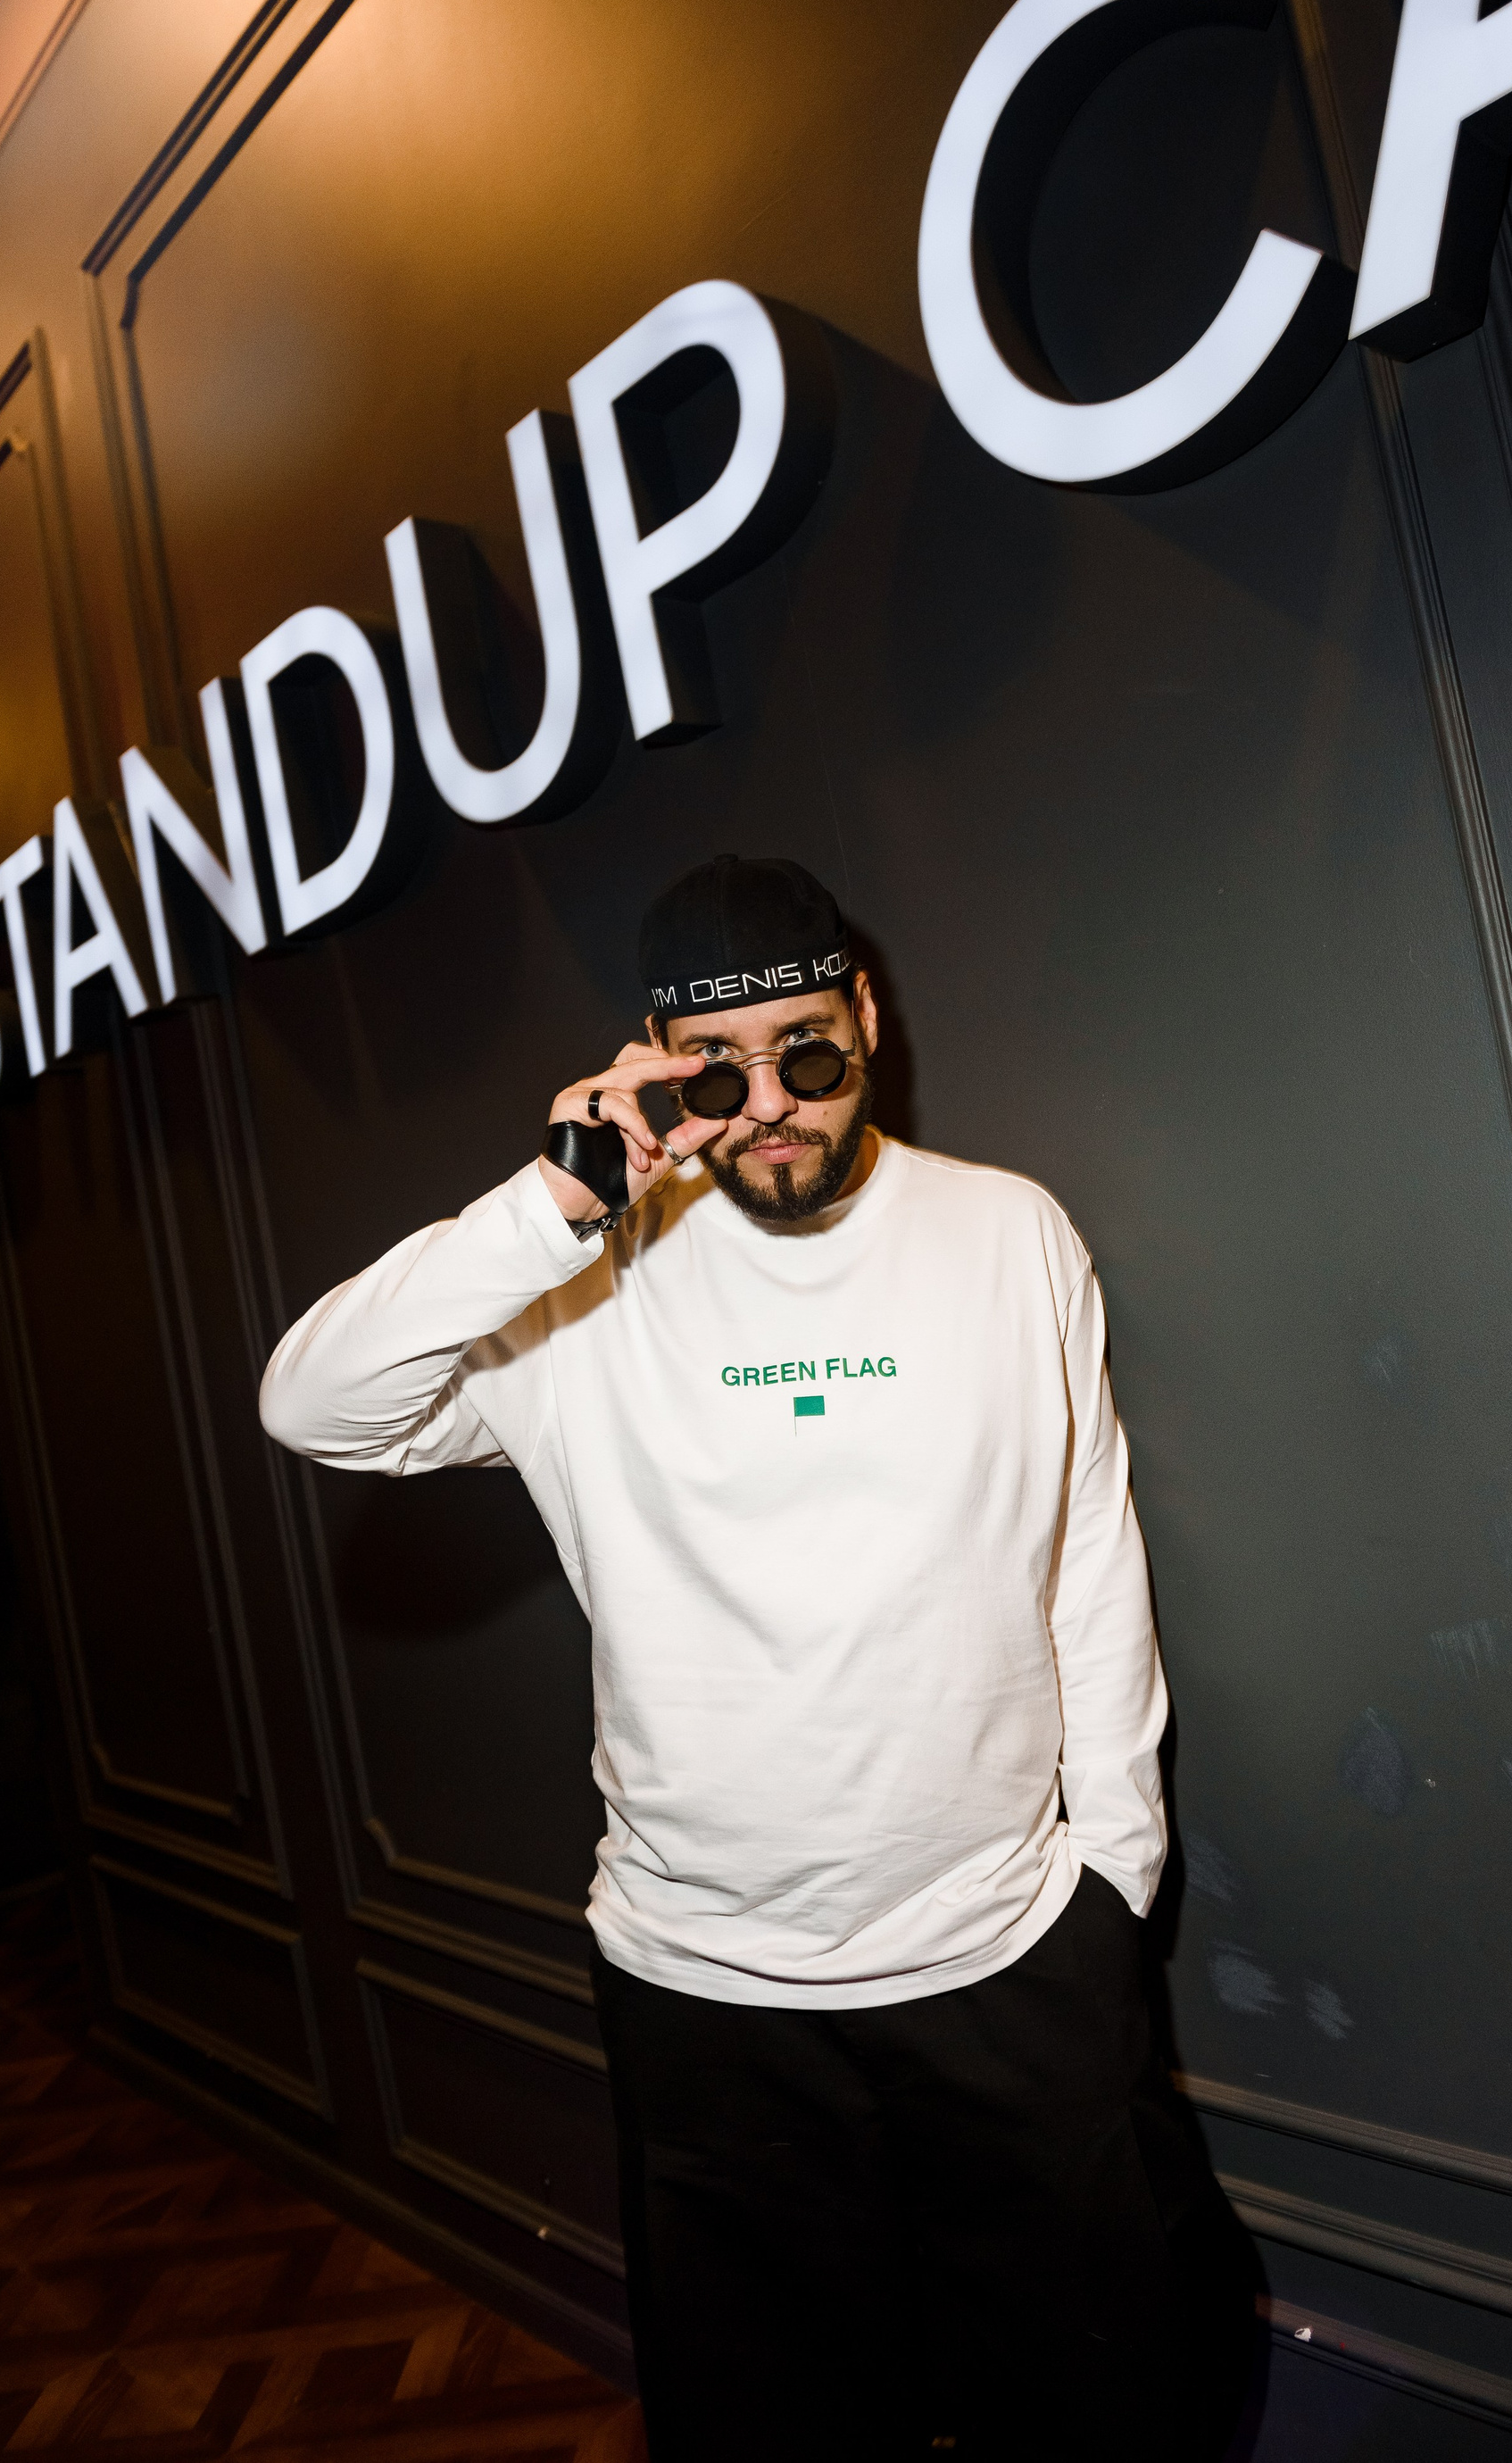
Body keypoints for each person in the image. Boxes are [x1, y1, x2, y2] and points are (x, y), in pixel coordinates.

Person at [259, 853, 1247, 2460]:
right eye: (719, 1069)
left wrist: (1114, 1875)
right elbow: (314, 1406)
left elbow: (1089, 1559)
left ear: (868, 1020)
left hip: (1008, 1957)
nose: (771, 1106)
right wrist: (557, 1202)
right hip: (702, 1985)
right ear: (656, 1062)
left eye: (808, 1052)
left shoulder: (1007, 1232)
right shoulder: (574, 1280)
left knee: (1099, 2405)